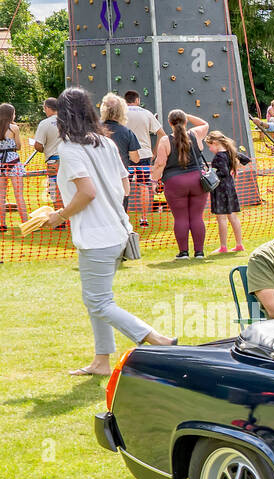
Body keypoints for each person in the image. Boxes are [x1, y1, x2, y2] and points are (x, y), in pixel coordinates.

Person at [42, 88, 173, 376]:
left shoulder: (70, 148)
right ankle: (101, 361)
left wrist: (59, 215)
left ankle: (156, 339)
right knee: (97, 300)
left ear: (63, 116)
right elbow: (125, 187)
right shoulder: (106, 142)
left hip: (97, 236)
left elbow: (86, 192)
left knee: (98, 301)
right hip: (117, 231)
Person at [151, 109, 210, 259]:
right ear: (185, 122)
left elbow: (160, 164)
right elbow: (205, 124)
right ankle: (199, 252)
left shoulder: (165, 141)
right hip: (198, 180)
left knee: (180, 218)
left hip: (175, 182)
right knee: (197, 217)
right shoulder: (195, 134)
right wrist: (187, 116)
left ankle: (183, 252)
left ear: (170, 123)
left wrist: (154, 181)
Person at [123, 90, 162, 222]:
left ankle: (123, 217)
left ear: (125, 100)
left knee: (124, 185)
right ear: (137, 100)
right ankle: (144, 218)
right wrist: (154, 153)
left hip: (125, 155)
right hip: (144, 155)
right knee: (144, 186)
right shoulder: (147, 113)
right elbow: (162, 134)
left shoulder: (121, 113)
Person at [98, 94, 140, 211]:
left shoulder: (94, 130)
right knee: (120, 212)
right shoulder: (127, 132)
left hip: (98, 177)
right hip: (120, 178)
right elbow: (135, 158)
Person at [205, 130, 244, 254]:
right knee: (233, 216)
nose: (210, 149)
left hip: (221, 189)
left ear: (215, 143)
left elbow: (223, 172)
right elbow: (246, 159)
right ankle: (239, 244)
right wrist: (235, 167)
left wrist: (210, 173)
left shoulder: (219, 156)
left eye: (210, 146)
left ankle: (223, 246)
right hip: (230, 187)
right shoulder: (230, 153)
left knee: (221, 218)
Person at [0, 103, 29, 231]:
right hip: (13, 162)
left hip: (0, 163)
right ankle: (26, 223)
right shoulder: (14, 128)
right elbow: (18, 146)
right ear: (11, 114)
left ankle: (2, 224)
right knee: (19, 195)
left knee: (1, 196)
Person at [33, 97, 63, 207]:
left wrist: (43, 148)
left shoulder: (44, 123)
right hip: (70, 160)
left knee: (54, 190)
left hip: (53, 162)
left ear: (47, 108)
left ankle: (60, 220)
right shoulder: (68, 121)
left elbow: (38, 145)